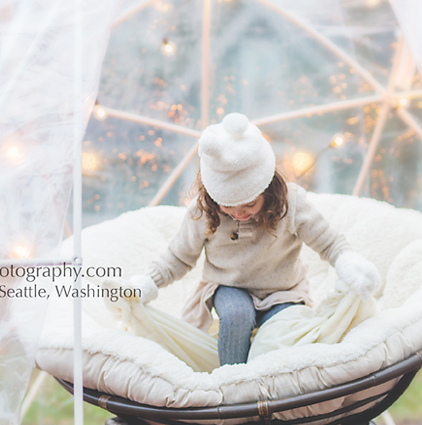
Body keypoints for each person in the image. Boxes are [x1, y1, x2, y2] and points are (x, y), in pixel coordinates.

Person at [130, 113, 380, 366]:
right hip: (229, 286)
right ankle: (232, 380)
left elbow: (329, 242)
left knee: (278, 335)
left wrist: (348, 262)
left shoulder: (290, 203)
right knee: (237, 315)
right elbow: (177, 257)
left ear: (267, 189)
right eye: (228, 205)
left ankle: (264, 385)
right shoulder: (203, 212)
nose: (239, 213)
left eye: (249, 203)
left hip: (284, 291)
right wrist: (149, 282)